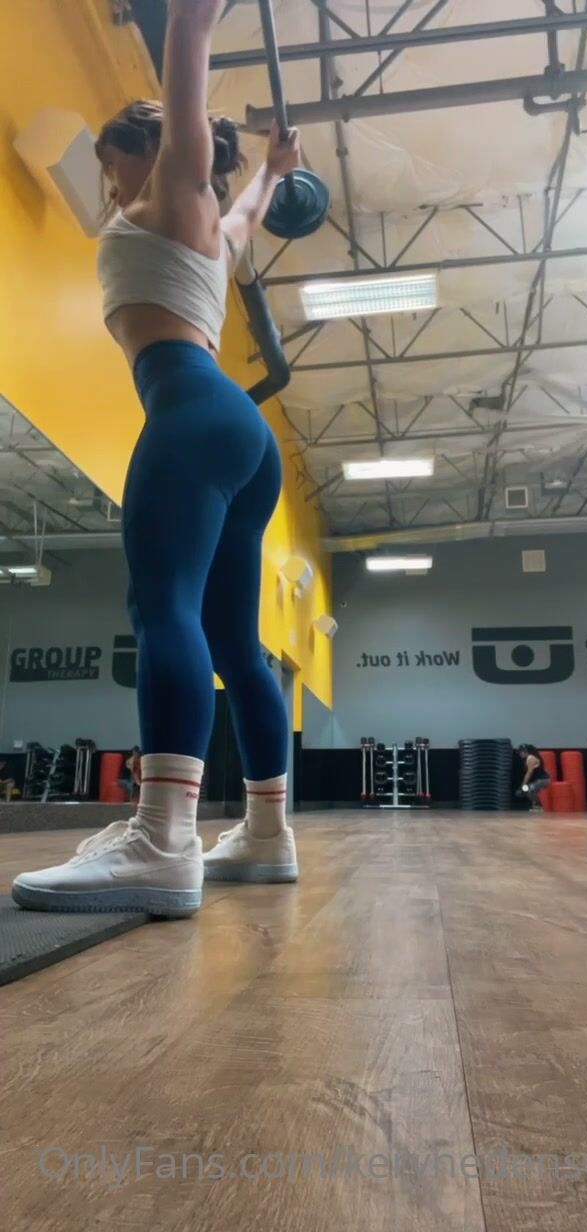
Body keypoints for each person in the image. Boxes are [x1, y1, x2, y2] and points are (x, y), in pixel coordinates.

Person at [12, 0, 299, 918]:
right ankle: (266, 833)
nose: (108, 181)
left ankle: (163, 840)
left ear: (142, 149)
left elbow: (187, 64)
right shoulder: (207, 222)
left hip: (189, 410)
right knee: (236, 645)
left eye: (109, 163)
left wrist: (190, 24)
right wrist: (272, 170)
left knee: (162, 605)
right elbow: (248, 211)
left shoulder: (175, 182)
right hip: (239, 430)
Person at [516, 745, 551, 814]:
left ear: (525, 751)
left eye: (520, 752)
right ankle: (536, 806)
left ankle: (539, 806)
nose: (520, 754)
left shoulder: (531, 758)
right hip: (537, 780)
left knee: (528, 790)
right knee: (526, 790)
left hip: (543, 780)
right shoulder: (528, 759)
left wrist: (522, 785)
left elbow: (529, 773)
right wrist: (523, 787)